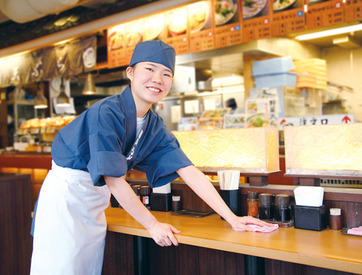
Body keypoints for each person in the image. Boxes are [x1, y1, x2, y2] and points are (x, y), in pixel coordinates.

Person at [30, 40, 272, 275]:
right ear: (130, 73)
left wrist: (232, 217)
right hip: (67, 199)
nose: (158, 79)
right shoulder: (107, 112)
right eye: (149, 69)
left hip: (95, 201)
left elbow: (188, 170)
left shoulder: (154, 125)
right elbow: (114, 180)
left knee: (87, 269)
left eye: (166, 74)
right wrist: (152, 225)